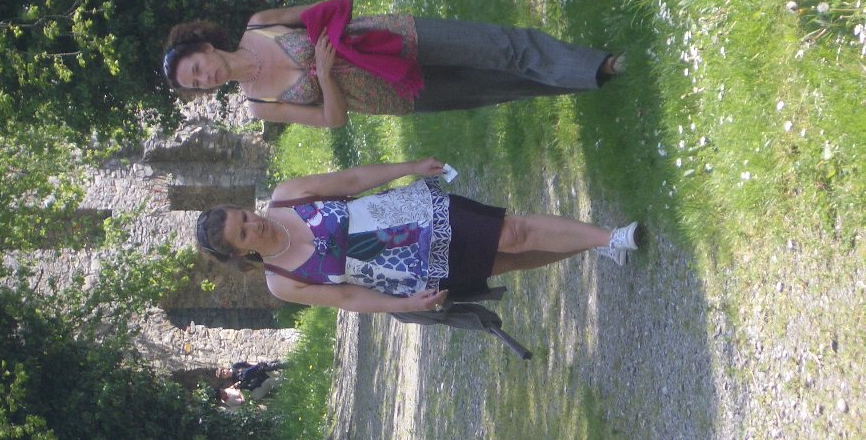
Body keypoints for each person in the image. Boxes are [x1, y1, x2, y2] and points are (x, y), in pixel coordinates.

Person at [194, 158, 644, 315]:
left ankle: (610, 237)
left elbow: (351, 180)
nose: (254, 224)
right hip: (411, 271)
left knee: (513, 233)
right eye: (243, 232)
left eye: (244, 215)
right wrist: (405, 305)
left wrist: (410, 167)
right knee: (508, 260)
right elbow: (347, 297)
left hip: (418, 215)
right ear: (240, 251)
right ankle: (590, 245)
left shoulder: (286, 197)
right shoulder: (281, 281)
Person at [162, 0, 624, 127]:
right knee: (495, 85)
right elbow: (332, 119)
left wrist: (334, 41)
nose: (206, 78)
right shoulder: (260, 105)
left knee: (497, 47)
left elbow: (325, 11)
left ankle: (600, 65)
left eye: (197, 68)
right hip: (393, 94)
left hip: (391, 42)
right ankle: (586, 76)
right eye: (198, 85)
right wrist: (325, 74)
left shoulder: (260, 24)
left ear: (205, 46)